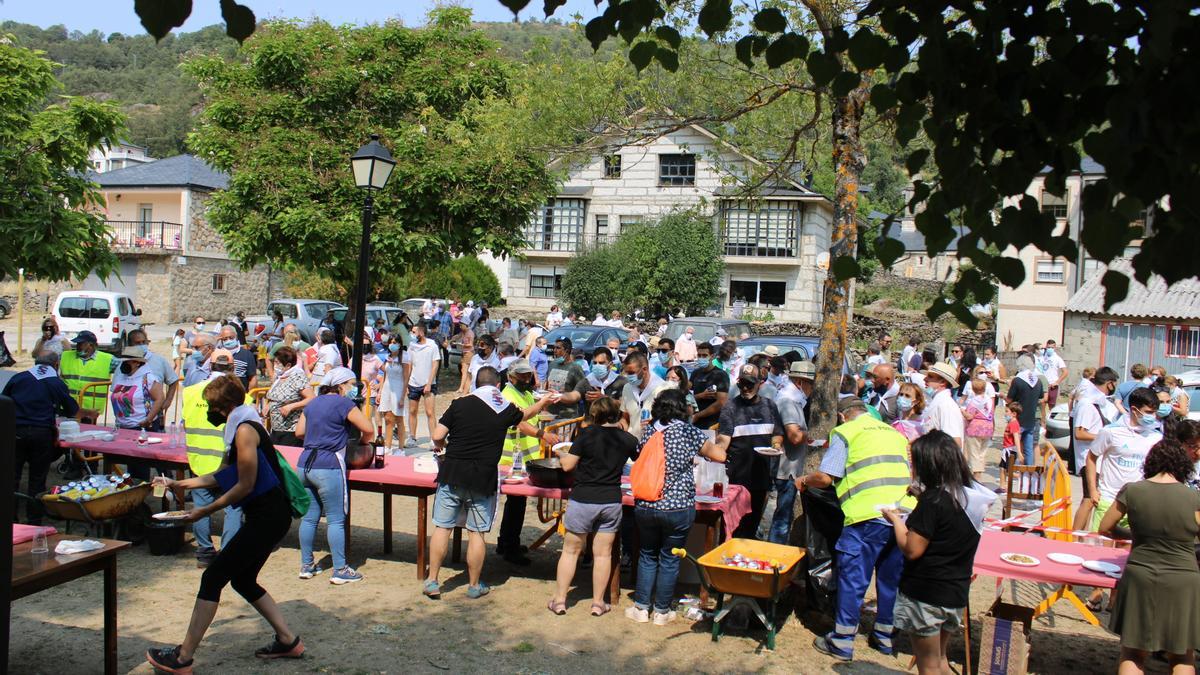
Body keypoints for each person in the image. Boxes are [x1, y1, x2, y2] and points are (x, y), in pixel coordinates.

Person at [145, 376, 304, 673]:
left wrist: (203, 511)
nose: (211, 412)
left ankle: (183, 658)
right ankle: (288, 640)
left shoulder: (245, 430)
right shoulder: (239, 426)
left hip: (269, 517)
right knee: (243, 580)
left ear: (226, 406)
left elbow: (244, 485)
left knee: (213, 577)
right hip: (268, 516)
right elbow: (220, 475)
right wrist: (178, 484)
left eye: (214, 407)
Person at [424, 367, 557, 599]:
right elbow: (524, 416)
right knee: (476, 533)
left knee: (442, 528)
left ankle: (433, 581)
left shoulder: (459, 404)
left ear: (476, 383)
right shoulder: (503, 408)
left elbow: (437, 435)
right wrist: (543, 402)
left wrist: (444, 446)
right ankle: (474, 585)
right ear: (497, 386)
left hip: (452, 473)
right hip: (483, 478)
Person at [799, 397, 916, 662]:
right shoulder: (893, 432)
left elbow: (827, 477)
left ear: (842, 416)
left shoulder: (845, 432)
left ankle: (842, 640)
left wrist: (805, 479)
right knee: (890, 579)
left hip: (867, 516)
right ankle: (885, 637)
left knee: (853, 579)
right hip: (901, 515)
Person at [883, 431, 995, 675]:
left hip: (926, 594)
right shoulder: (970, 498)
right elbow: (948, 522)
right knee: (941, 660)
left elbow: (912, 549)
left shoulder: (933, 502)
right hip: (954, 592)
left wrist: (895, 520)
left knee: (929, 666)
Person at [1098, 439, 1200, 675]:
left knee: (1133, 652)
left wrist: (1133, 535)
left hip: (1140, 574)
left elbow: (1104, 527)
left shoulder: (1132, 491)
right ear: (1183, 465)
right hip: (1183, 579)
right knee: (1182, 654)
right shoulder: (1193, 498)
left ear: (1150, 462)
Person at [627, 389, 726, 624]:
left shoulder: (649, 430)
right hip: (677, 505)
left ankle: (641, 607)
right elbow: (719, 455)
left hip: (647, 504)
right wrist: (720, 441)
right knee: (670, 558)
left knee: (647, 555)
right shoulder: (688, 431)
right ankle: (661, 611)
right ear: (683, 408)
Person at [548, 397, 638, 616]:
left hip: (583, 498)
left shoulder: (586, 435)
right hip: (610, 500)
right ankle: (598, 603)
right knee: (603, 554)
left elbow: (568, 465)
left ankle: (560, 600)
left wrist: (561, 454)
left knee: (570, 551)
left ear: (595, 415)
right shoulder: (628, 439)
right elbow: (638, 460)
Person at [293, 367, 376, 585]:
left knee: (309, 518)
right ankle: (340, 569)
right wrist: (364, 443)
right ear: (340, 386)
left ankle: (306, 564)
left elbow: (299, 432)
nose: (353, 388)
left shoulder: (312, 403)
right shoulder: (344, 404)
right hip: (328, 465)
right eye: (350, 384)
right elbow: (368, 429)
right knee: (336, 519)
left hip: (304, 464)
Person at [181, 350, 244, 567]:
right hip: (226, 461)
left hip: (199, 459)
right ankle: (228, 553)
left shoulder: (189, 393)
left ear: (209, 366)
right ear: (232, 369)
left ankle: (205, 553)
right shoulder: (239, 395)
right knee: (233, 507)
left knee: (200, 506)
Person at [496, 359, 560, 565]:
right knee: (516, 503)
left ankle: (506, 541)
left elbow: (531, 414)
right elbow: (519, 422)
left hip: (523, 456)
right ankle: (509, 547)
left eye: (528, 375)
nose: (526, 379)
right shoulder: (507, 395)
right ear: (510, 376)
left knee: (517, 503)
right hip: (511, 458)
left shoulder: (526, 393)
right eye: (521, 375)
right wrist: (542, 433)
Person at [3, 351, 78, 524]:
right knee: (37, 478)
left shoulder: (19, 377)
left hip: (16, 430)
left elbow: (5, 400)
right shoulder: (55, 382)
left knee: (12, 477)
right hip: (41, 432)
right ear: (56, 364)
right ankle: (34, 520)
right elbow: (71, 409)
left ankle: (10, 517)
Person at [714, 365, 783, 539]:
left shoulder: (770, 406)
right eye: (742, 384)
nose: (745, 388)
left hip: (761, 476)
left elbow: (777, 434)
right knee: (733, 526)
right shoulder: (731, 407)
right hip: (736, 478)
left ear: (760, 383)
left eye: (749, 384)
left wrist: (775, 446)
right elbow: (723, 441)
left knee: (752, 525)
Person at [1086, 387, 1161, 533]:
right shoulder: (1110, 432)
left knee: (1127, 552)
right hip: (1109, 500)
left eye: (1154, 412)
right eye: (1149, 412)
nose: (1153, 416)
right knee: (1098, 548)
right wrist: (1093, 491)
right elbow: (1091, 457)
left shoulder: (1156, 437)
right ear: (1134, 409)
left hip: (1139, 504)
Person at [768, 360, 810, 545]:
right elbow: (794, 435)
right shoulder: (788, 402)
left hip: (792, 467)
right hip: (786, 469)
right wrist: (812, 436)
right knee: (782, 518)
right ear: (801, 382)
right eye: (811, 384)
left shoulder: (795, 401)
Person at [127, 329, 181, 428]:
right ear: (130, 345)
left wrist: (168, 401)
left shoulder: (159, 360)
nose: (141, 345)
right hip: (130, 418)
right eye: (137, 343)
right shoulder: (125, 363)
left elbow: (173, 380)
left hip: (154, 417)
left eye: (144, 342)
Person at [263, 346, 314, 448]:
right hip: (276, 429)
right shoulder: (280, 377)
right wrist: (269, 405)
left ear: (288, 365)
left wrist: (291, 406)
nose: (275, 365)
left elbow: (311, 398)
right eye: (275, 362)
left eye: (278, 363)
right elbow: (277, 397)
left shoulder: (297, 376)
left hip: (291, 430)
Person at [59, 330, 115, 415]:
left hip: (91, 410)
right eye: (77, 343)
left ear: (91, 345)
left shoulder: (108, 360)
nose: (77, 346)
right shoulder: (65, 356)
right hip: (68, 407)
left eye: (80, 344)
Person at [111, 346, 165, 433]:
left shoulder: (148, 378)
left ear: (137, 363)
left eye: (127, 361)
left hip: (141, 427)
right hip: (122, 427)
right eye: (123, 361)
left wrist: (149, 419)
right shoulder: (121, 376)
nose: (124, 364)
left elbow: (159, 398)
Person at [404, 323, 440, 447]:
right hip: (413, 383)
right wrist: (406, 385)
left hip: (428, 384)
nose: (412, 334)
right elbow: (409, 365)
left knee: (430, 412)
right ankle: (412, 437)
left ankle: (433, 439)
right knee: (412, 411)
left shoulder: (432, 346)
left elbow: (435, 365)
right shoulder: (412, 346)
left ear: (422, 332)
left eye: (414, 332)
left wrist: (429, 383)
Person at [1006, 354, 1045, 466]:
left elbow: (1009, 399)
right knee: (1029, 448)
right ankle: (1028, 471)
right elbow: (1040, 397)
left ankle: (1011, 469)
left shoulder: (1018, 380)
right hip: (1031, 418)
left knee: (1013, 445)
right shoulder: (1037, 381)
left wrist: (1004, 396)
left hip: (1018, 418)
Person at [620, 352, 668, 439]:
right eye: (626, 372)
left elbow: (670, 421)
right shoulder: (627, 388)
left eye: (631, 373)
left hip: (653, 443)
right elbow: (625, 416)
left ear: (645, 369)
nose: (628, 376)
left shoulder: (663, 389)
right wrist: (622, 426)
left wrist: (654, 424)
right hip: (631, 443)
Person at [377, 337, 409, 453]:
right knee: (388, 418)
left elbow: (406, 378)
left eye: (394, 343)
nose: (392, 344)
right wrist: (380, 392)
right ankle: (388, 446)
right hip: (387, 388)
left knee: (399, 419)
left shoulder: (404, 357)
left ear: (400, 344)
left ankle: (401, 448)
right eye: (390, 342)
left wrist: (402, 397)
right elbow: (384, 376)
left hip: (398, 388)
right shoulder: (388, 356)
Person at [961, 375, 994, 482]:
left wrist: (962, 411)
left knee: (974, 453)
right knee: (982, 453)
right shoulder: (989, 400)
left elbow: (969, 416)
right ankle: (979, 475)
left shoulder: (974, 401)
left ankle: (977, 477)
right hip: (988, 428)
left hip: (975, 428)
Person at [922, 362, 964, 447]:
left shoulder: (946, 405)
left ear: (942, 382)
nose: (925, 379)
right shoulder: (939, 402)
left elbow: (954, 442)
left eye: (930, 377)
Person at [573, 347, 627, 412]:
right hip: (592, 421)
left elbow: (625, 406)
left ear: (610, 365)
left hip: (614, 421)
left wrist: (604, 399)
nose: (597, 366)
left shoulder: (621, 382)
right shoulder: (587, 381)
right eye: (595, 363)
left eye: (601, 363)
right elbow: (574, 395)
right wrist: (560, 396)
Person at [690, 342, 729, 430]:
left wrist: (698, 416)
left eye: (704, 355)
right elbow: (686, 397)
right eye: (699, 355)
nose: (701, 358)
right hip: (694, 422)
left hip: (712, 424)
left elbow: (721, 402)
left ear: (712, 356)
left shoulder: (721, 375)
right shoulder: (695, 373)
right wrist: (700, 396)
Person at [218, 325, 257, 391]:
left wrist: (249, 397)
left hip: (242, 395)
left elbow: (253, 378)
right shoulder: (218, 354)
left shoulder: (247, 354)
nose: (228, 340)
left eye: (231, 337)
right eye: (225, 339)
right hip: (222, 395)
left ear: (236, 337)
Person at [1037, 339, 1069, 408]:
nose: (1050, 349)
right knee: (1041, 405)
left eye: (1052, 347)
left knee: (1052, 406)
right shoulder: (1042, 357)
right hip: (1042, 384)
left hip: (1052, 385)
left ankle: (1051, 418)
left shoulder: (1057, 358)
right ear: (1046, 346)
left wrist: (1057, 382)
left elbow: (1065, 372)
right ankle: (1043, 418)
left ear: (1055, 348)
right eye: (1048, 347)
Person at [451, 321, 475, 395]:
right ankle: (462, 387)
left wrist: (460, 344)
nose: (460, 327)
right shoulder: (463, 332)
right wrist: (451, 339)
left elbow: (470, 344)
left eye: (461, 325)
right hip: (464, 352)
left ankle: (463, 388)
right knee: (463, 370)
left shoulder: (470, 333)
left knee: (465, 371)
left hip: (469, 353)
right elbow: (458, 336)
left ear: (466, 325)